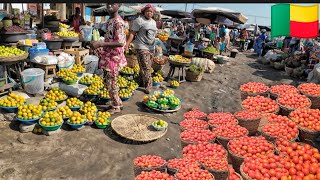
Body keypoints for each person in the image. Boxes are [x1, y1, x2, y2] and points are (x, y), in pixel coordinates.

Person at [90, 3, 126, 114]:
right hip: (108, 55)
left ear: (119, 5)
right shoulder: (110, 20)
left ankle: (116, 106)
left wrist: (101, 44)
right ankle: (117, 102)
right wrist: (100, 46)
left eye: (113, 3)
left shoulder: (118, 22)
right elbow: (110, 38)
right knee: (108, 81)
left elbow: (120, 43)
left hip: (114, 58)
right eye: (108, 3)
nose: (109, 5)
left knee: (111, 82)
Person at [126, 4, 158, 94]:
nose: (149, 13)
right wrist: (127, 44)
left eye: (151, 11)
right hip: (141, 46)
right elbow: (132, 33)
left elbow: (153, 34)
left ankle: (139, 81)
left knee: (145, 67)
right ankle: (148, 85)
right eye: (147, 11)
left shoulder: (153, 22)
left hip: (151, 47)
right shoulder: (139, 20)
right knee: (146, 67)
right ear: (144, 12)